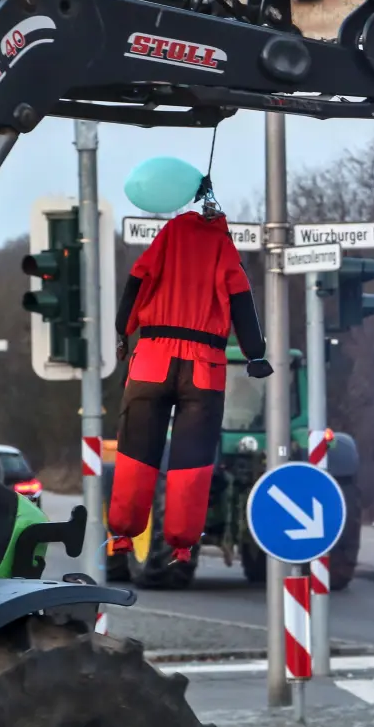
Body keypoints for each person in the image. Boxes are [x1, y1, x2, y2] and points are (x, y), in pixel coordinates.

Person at [108, 178, 271, 563]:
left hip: (152, 358)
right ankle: (182, 542)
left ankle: (125, 534)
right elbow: (241, 299)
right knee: (192, 458)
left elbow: (137, 279)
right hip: (204, 364)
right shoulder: (223, 247)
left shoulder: (167, 236)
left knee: (136, 450)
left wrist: (124, 330)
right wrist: (255, 354)